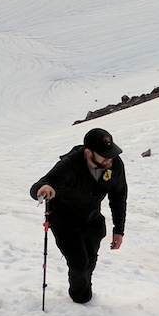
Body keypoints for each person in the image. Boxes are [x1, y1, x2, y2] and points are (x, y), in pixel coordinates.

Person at [29, 127, 128, 304]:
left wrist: (119, 230)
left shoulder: (115, 165)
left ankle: (84, 292)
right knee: (79, 263)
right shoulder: (71, 164)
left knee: (90, 261)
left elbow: (119, 195)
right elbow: (42, 183)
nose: (109, 159)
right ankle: (81, 299)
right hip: (64, 220)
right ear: (88, 152)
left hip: (92, 219)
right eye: (104, 155)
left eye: (110, 154)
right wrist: (43, 188)